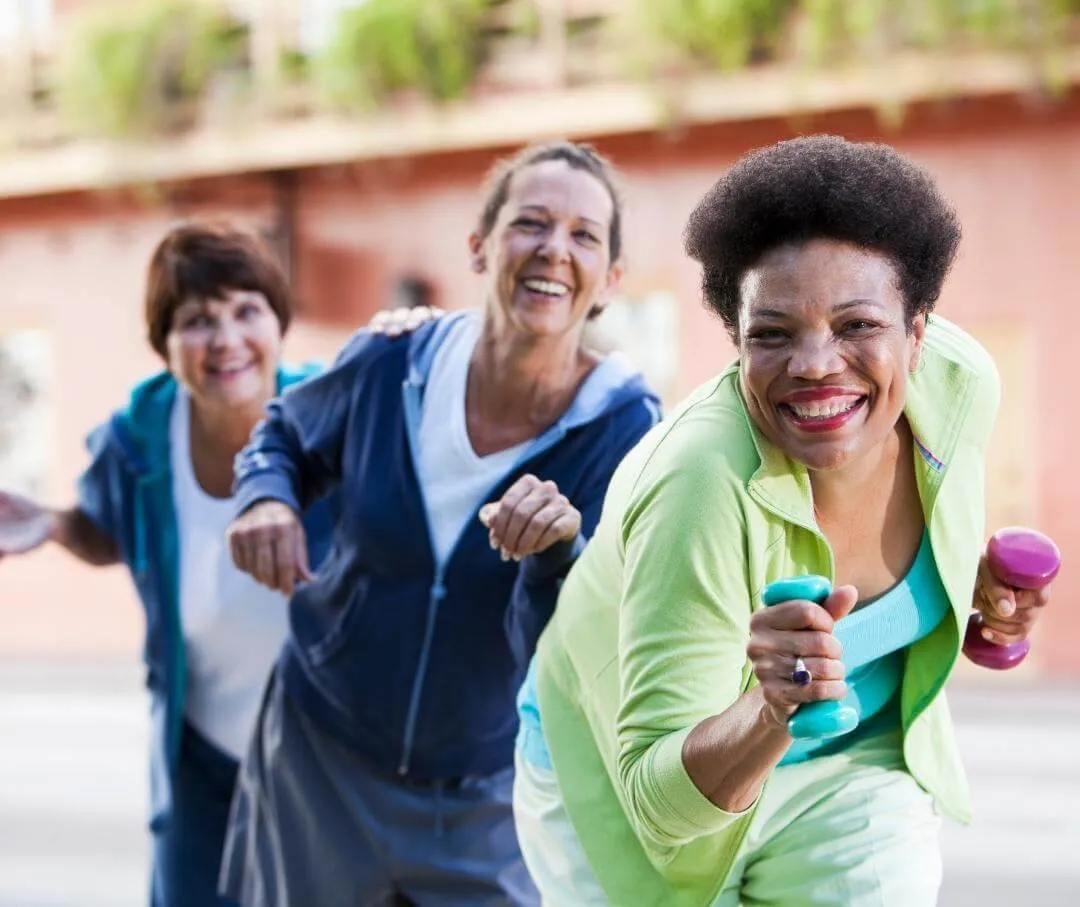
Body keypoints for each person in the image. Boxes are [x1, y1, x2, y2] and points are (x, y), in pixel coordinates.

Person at [513, 135, 1053, 906]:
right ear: (735, 342)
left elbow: (921, 540)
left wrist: (973, 583)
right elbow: (657, 802)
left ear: (919, 329)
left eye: (858, 324)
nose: (814, 363)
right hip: (619, 786)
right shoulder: (699, 484)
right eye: (772, 333)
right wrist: (771, 707)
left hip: (846, 761)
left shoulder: (958, 390)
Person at [219, 141, 661, 907]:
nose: (554, 249)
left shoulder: (626, 432)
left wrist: (558, 557)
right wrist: (266, 497)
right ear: (480, 247)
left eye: (584, 234)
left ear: (610, 281)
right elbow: (284, 435)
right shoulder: (392, 360)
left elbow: (589, 645)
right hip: (321, 763)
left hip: (485, 796)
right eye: (530, 223)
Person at [0, 221, 423, 907]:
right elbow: (107, 529)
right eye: (197, 320)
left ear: (278, 324)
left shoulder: (338, 414)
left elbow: (433, 449)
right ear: (164, 346)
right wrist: (50, 525)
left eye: (246, 311)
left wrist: (417, 343)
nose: (226, 339)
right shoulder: (138, 440)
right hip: (203, 762)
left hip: (332, 762)